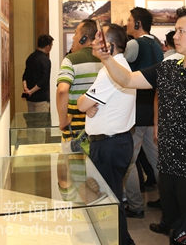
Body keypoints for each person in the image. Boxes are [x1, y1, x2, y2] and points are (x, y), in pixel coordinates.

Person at [91, 4, 186, 236]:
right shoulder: (168, 69)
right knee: (175, 232)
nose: (175, 36)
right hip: (167, 170)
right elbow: (127, 79)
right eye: (175, 30)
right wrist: (106, 58)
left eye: (182, 31)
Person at [76, 23, 136, 245]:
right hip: (114, 143)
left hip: (109, 145)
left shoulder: (112, 71)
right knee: (109, 199)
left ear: (109, 46)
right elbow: (87, 105)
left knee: (109, 202)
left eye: (98, 39)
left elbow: (82, 104)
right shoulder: (117, 68)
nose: (92, 42)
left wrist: (86, 105)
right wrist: (88, 106)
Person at [123, 7, 164, 219]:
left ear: (138, 23)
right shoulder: (156, 44)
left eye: (130, 20)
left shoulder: (133, 44)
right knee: (156, 158)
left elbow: (122, 73)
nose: (127, 24)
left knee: (129, 161)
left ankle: (135, 205)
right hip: (153, 109)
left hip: (137, 110)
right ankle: (167, 200)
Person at [56, 19, 102, 152]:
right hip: (99, 131)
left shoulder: (71, 60)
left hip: (75, 134)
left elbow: (62, 91)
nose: (73, 37)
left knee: (74, 165)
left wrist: (63, 121)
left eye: (76, 33)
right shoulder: (106, 60)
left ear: (84, 38)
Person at [22, 34, 54, 112]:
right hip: (41, 99)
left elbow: (24, 76)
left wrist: (26, 89)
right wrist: (30, 92)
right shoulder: (45, 60)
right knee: (41, 120)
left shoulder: (30, 57)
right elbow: (43, 80)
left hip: (30, 99)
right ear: (47, 47)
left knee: (31, 119)